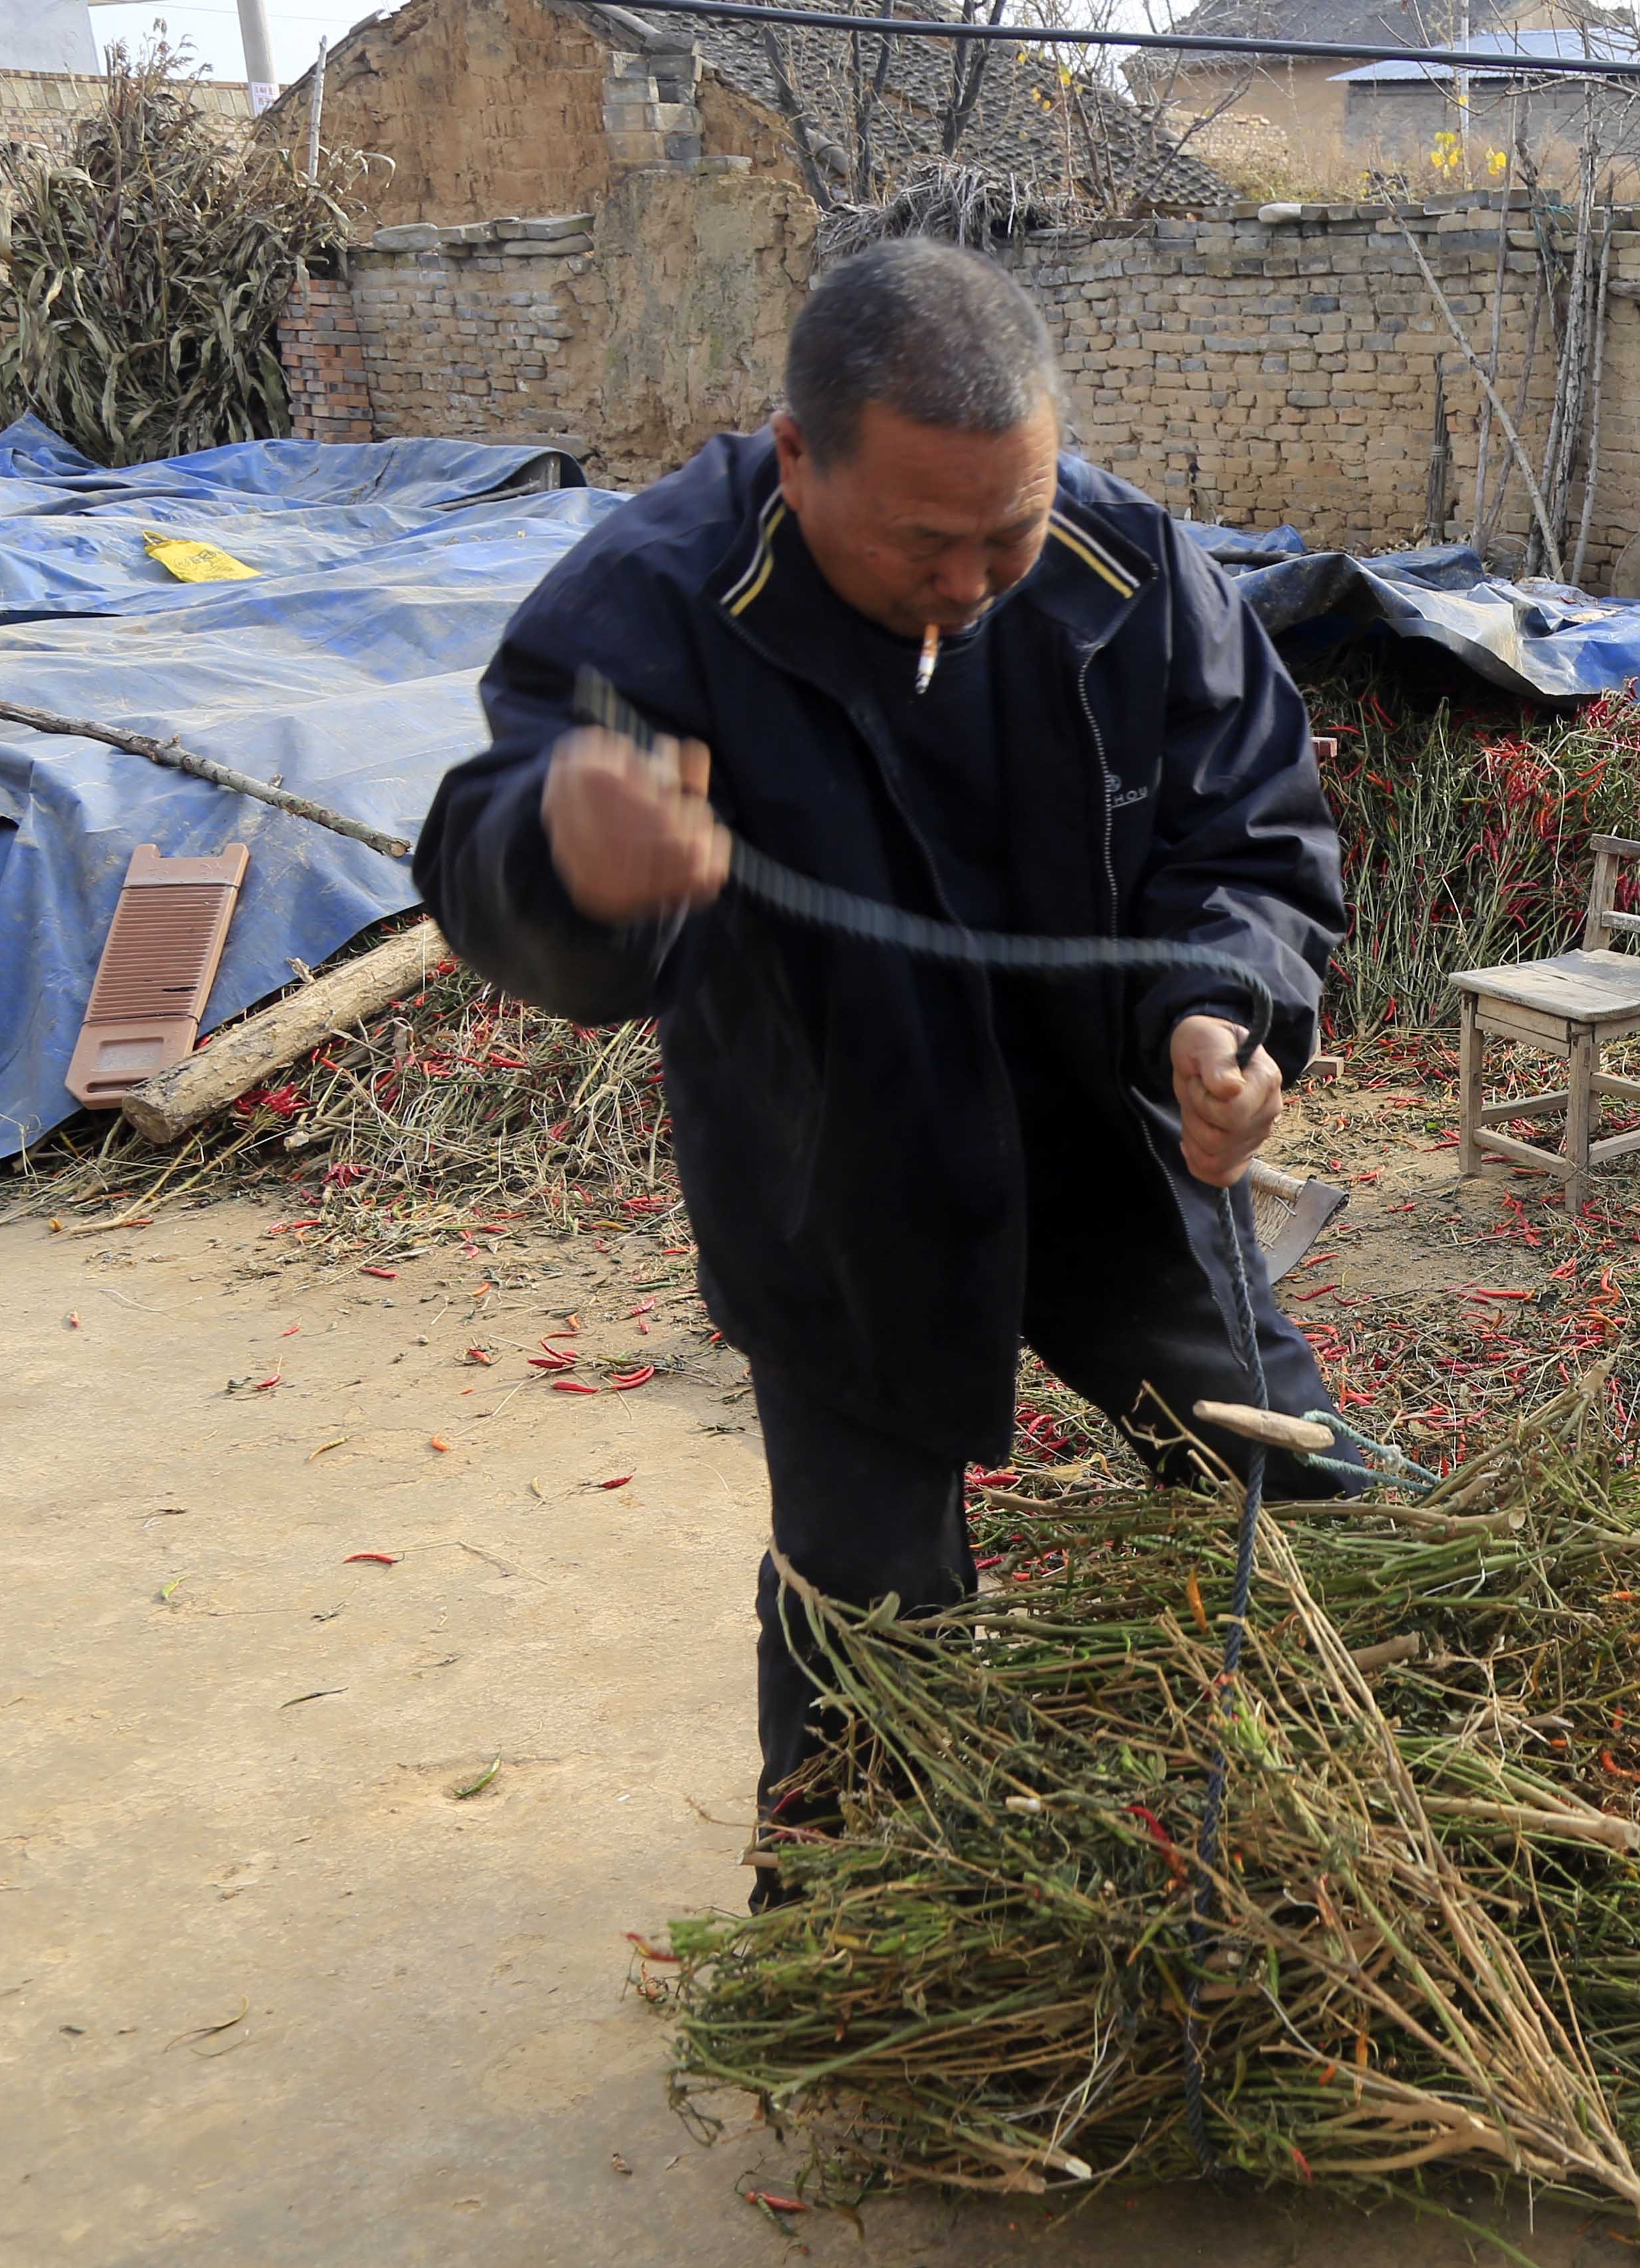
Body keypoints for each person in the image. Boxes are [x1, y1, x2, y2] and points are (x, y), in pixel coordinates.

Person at [414, 237, 1348, 1902]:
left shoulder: (1126, 572)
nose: (981, 577)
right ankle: (849, 1944)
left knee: (1289, 1477)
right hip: (839, 1169)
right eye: (929, 541)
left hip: (1109, 1143)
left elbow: (1248, 830)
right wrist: (567, 858)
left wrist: (1228, 1013)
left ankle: (1343, 1847)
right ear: (796, 457)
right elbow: (493, 865)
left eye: (1014, 526)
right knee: (872, 1607)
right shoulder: (652, 606)